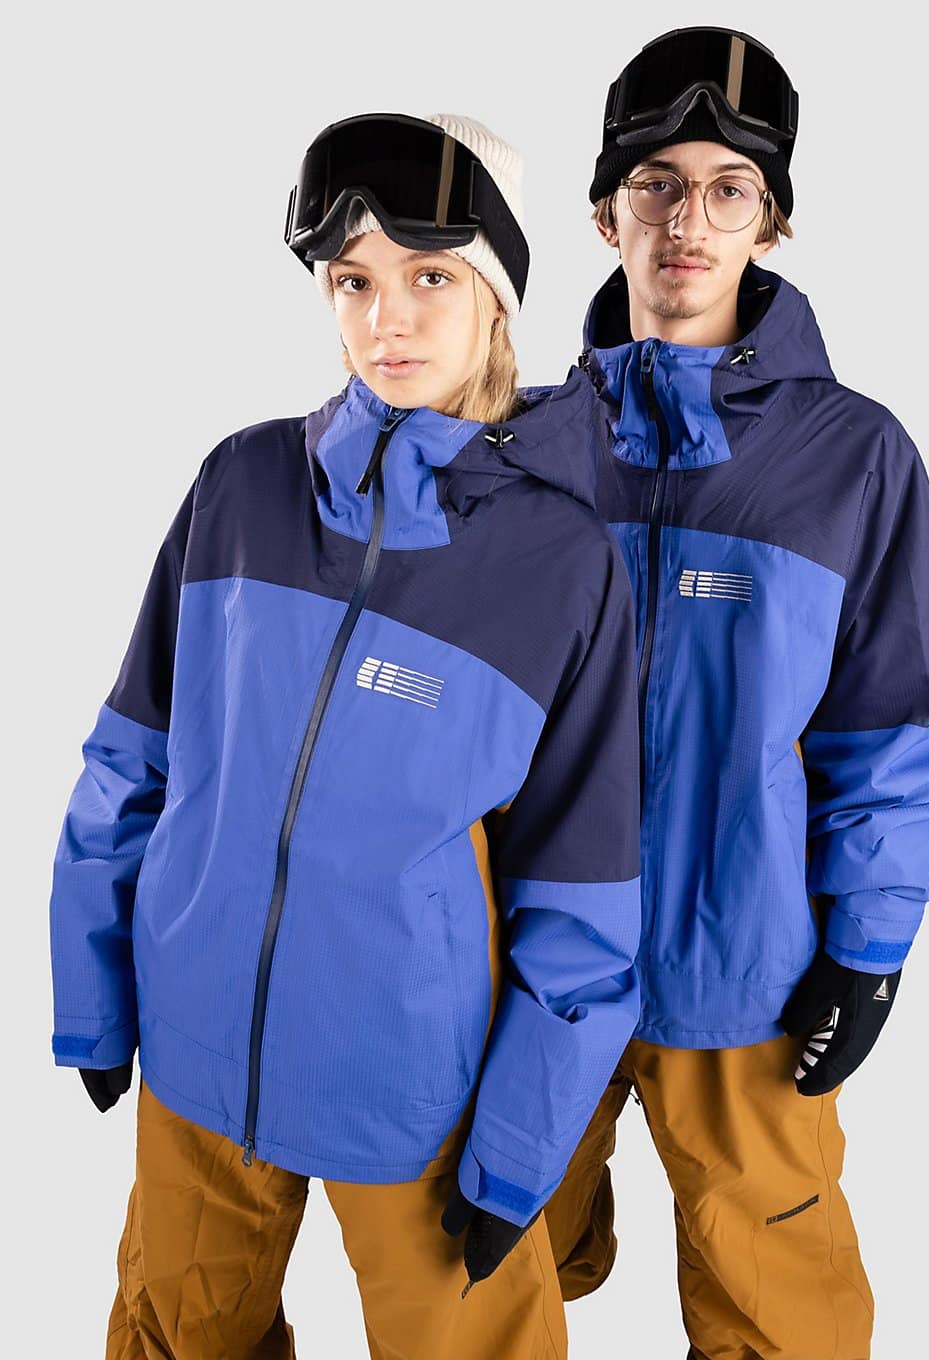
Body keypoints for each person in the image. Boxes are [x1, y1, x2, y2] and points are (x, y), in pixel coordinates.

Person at [48, 111, 643, 1360]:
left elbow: (583, 898)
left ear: (496, 296)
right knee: (172, 1336)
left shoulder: (560, 564)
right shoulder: (241, 485)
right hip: (199, 1053)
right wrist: (93, 987)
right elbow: (131, 758)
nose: (389, 320)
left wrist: (521, 1149)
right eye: (354, 281)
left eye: (431, 278)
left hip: (417, 1096)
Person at [542, 27, 929, 1360]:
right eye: (657, 184)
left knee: (784, 1322)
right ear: (605, 211)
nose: (688, 222)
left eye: (730, 190)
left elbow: (893, 726)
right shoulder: (521, 446)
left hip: (748, 973)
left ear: (772, 223)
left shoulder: (855, 458)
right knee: (486, 1285)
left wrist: (868, 948)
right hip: (532, 968)